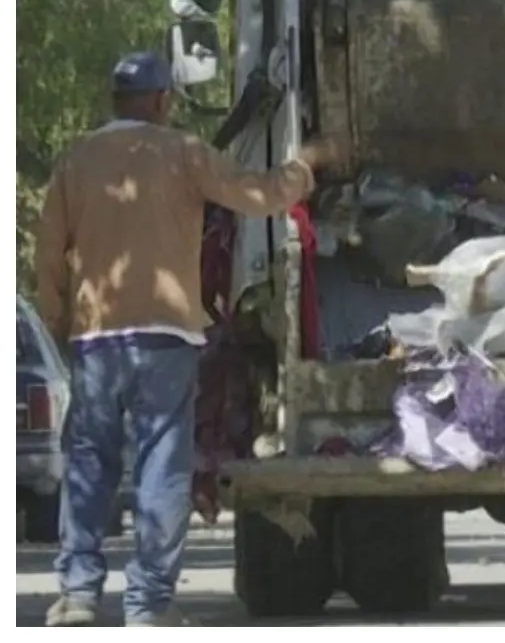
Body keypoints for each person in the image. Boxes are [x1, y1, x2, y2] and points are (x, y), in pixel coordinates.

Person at [36, 51, 342, 626]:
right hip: (166, 339)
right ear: (160, 101)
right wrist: (303, 166)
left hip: (97, 339)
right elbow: (259, 195)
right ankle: (148, 605)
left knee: (89, 464)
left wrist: (58, 324)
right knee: (162, 468)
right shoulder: (182, 152)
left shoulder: (75, 161)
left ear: (114, 100)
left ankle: (77, 595)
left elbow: (48, 254)